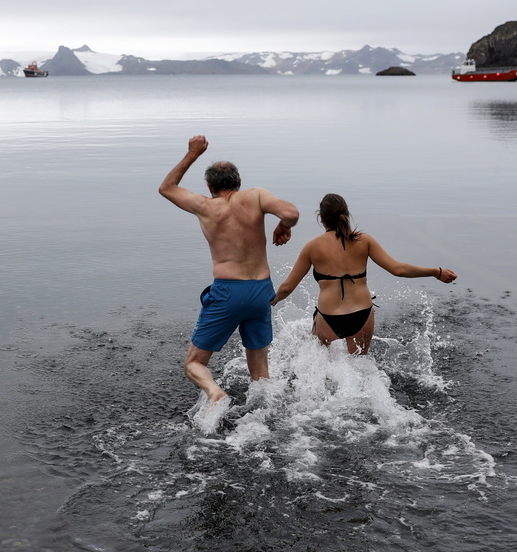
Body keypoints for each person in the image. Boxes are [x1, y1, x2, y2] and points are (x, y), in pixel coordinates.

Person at [159, 135, 300, 407]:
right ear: (238, 183)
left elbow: (166, 188)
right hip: (261, 291)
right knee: (260, 371)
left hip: (228, 291)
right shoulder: (256, 196)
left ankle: (215, 392)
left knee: (194, 364)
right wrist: (284, 226)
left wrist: (193, 154)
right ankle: (266, 411)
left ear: (210, 186)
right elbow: (291, 213)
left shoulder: (204, 206)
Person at [271, 193, 458, 354]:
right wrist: (436, 272)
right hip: (361, 314)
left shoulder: (312, 247)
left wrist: (271, 301)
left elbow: (287, 287)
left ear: (321, 218)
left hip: (328, 317)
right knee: (360, 370)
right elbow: (398, 269)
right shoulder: (364, 240)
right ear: (346, 214)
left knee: (322, 369)